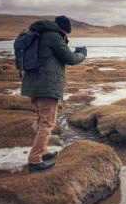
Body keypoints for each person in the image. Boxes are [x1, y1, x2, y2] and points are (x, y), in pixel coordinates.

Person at [21, 16, 87, 172]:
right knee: (47, 123)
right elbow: (70, 58)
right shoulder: (53, 36)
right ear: (64, 29)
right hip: (47, 87)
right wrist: (82, 54)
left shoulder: (41, 34)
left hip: (34, 85)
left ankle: (41, 151)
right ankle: (35, 160)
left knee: (42, 120)